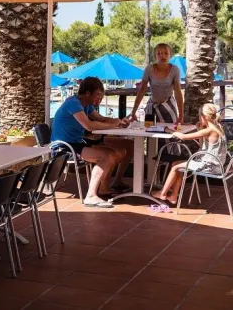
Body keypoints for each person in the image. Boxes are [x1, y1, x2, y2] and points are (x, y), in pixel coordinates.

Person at [51, 77, 131, 208]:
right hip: (63, 147)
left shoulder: (86, 105)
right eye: (98, 95)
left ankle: (103, 188)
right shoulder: (73, 103)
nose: (99, 99)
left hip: (76, 143)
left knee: (118, 152)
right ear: (87, 93)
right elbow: (89, 125)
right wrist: (114, 125)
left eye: (101, 96)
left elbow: (101, 119)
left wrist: (119, 121)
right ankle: (91, 196)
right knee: (107, 155)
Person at [153, 104, 227, 204]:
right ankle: (173, 196)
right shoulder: (218, 127)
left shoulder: (209, 130)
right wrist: (199, 129)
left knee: (175, 167)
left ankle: (162, 193)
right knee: (176, 164)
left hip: (210, 166)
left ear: (203, 117)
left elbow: (182, 137)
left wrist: (168, 130)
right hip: (217, 164)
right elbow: (202, 147)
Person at [130, 43, 184, 132]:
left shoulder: (175, 70)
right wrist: (133, 112)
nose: (162, 55)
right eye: (159, 53)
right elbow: (142, 90)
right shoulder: (149, 69)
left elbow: (178, 92)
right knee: (149, 133)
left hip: (169, 106)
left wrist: (181, 115)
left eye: (166, 53)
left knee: (171, 134)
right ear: (155, 56)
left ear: (170, 55)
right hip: (152, 107)